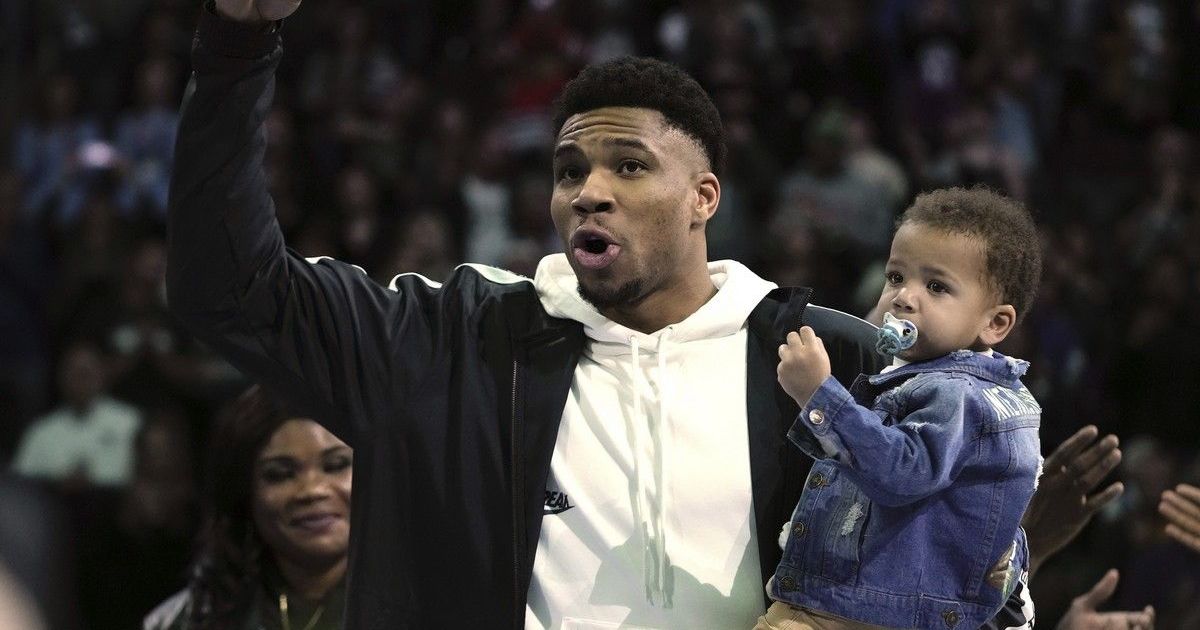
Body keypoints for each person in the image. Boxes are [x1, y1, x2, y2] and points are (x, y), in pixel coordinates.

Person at [169, 2, 1123, 627]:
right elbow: (226, 289)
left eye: (629, 166)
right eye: (569, 170)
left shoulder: (834, 360)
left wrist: (1024, 556)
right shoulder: (446, 339)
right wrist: (237, 45)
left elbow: (920, 565)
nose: (588, 190)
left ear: (704, 197)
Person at [766, 187, 1042, 629]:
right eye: (896, 277)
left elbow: (900, 472)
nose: (903, 297)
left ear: (994, 323)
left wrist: (817, 394)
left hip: (855, 613)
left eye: (936, 286)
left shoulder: (957, 393)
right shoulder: (981, 389)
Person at [144, 385, 351, 630]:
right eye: (280, 474)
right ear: (244, 493)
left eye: (336, 465)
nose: (312, 490)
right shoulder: (183, 620)